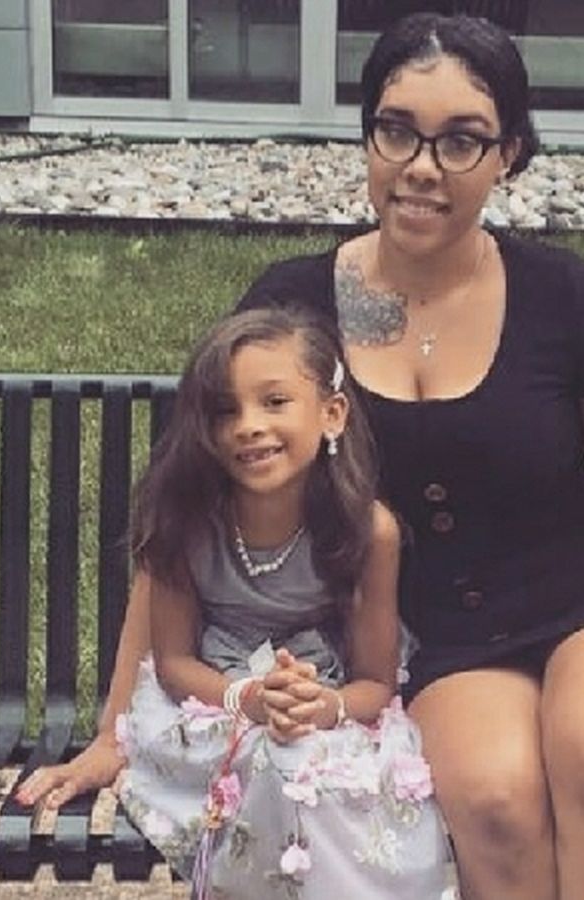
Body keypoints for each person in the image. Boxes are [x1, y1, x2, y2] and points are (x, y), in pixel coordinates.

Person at [19, 13, 584, 899]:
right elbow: (184, 511)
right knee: (495, 801)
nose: (422, 167)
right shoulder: (293, 309)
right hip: (444, 637)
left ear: (509, 154)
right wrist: (114, 732)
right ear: (368, 138)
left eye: (462, 140)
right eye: (397, 131)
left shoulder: (567, 299)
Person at [106, 307, 453, 897]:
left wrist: (319, 707)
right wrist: (249, 700)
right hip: (213, 703)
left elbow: (374, 683)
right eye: (225, 411)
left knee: (316, 770)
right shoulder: (184, 520)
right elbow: (173, 664)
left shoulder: (368, 530)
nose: (248, 426)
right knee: (276, 763)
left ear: (331, 413)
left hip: (324, 699)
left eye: (274, 402)